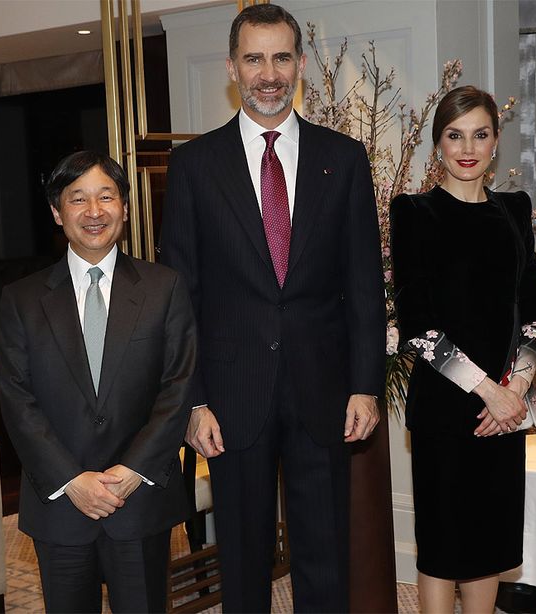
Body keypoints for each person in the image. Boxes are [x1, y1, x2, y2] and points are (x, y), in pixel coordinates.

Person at [159, 4, 386, 611]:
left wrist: (365, 385)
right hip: (230, 401)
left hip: (325, 393)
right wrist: (193, 399)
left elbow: (364, 286)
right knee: (243, 562)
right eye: (254, 58)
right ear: (232, 68)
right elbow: (180, 300)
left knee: (325, 560)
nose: (268, 73)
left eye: (281, 57)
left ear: (300, 64)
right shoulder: (193, 167)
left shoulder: (345, 159)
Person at [0, 151, 197, 613]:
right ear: (56, 211)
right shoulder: (21, 300)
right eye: (77, 199)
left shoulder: (164, 288)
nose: (93, 212)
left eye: (106, 197)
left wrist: (131, 472)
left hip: (140, 499)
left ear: (124, 207)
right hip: (61, 505)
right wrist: (71, 479)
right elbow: (16, 401)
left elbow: (178, 387)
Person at [390, 85, 536, 613]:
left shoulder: (514, 209)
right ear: (437, 144)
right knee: (442, 550)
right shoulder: (414, 212)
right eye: (455, 135)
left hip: (504, 409)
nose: (468, 147)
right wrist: (489, 391)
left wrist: (518, 388)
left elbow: (535, 310)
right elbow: (418, 327)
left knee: (486, 548)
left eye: (480, 135)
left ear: (495, 142)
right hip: (446, 408)